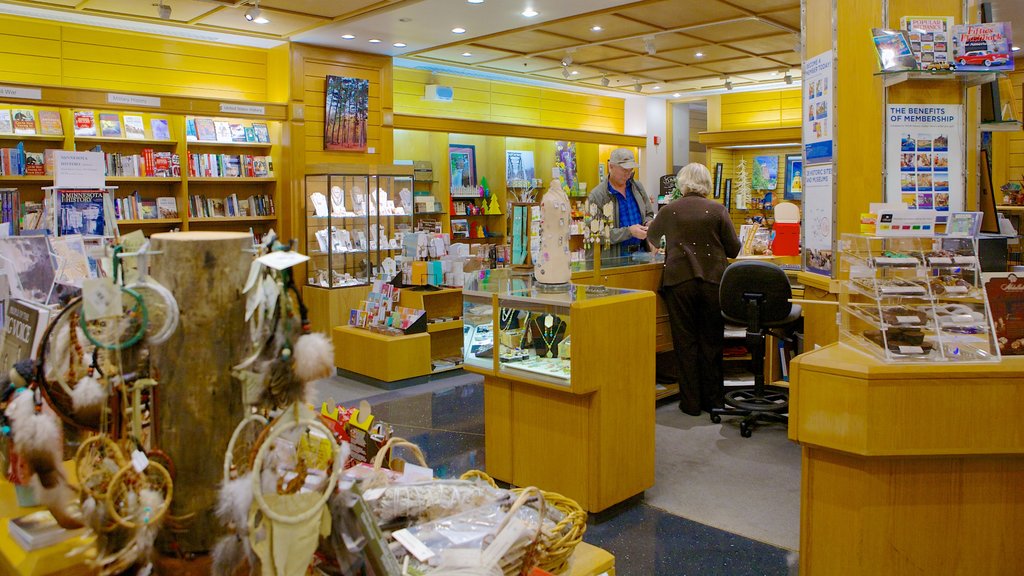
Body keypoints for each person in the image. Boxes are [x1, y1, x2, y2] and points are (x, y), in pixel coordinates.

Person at [648, 163, 741, 416]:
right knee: (711, 341)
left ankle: (690, 403)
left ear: (683, 183)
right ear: (707, 184)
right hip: (712, 281)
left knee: (685, 342)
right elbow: (734, 249)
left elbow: (653, 238)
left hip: (678, 282)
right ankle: (713, 401)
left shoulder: (670, 210)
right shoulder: (718, 210)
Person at [586, 148, 655, 259]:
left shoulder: (637, 187)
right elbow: (596, 233)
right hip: (613, 260)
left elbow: (649, 214)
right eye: (624, 170)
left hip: (641, 255)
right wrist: (629, 232)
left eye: (631, 170)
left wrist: (648, 223)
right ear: (611, 166)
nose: (628, 174)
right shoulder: (597, 196)